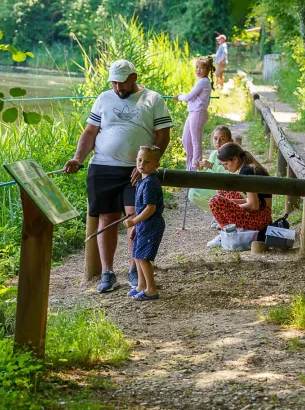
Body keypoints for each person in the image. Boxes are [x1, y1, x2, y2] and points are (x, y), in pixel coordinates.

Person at [64, 59, 173, 293]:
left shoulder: (153, 99)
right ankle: (108, 272)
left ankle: (135, 269)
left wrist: (146, 166)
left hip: (136, 171)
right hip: (103, 167)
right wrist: (77, 159)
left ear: (134, 77)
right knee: (106, 219)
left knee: (136, 219)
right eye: (113, 83)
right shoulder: (104, 98)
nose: (117, 88)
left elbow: (163, 136)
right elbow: (90, 132)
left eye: (121, 83)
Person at [207, 142, 272, 247]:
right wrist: (232, 204)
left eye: (225, 164)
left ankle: (227, 234)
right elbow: (256, 201)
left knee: (215, 201)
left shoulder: (246, 171)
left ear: (235, 159)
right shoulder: (248, 167)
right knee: (223, 189)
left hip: (259, 220)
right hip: (262, 216)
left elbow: (254, 206)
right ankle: (232, 230)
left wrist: (230, 208)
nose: (225, 167)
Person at [125, 145, 165, 301]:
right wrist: (136, 225)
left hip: (151, 223)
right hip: (143, 224)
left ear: (156, 165)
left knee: (143, 257)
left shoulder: (149, 183)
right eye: (139, 160)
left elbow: (150, 208)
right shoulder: (142, 180)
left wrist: (134, 220)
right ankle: (141, 285)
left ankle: (151, 289)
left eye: (147, 162)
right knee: (137, 254)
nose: (142, 165)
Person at [172, 56, 215, 171]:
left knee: (196, 142)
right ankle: (189, 166)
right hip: (193, 112)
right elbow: (192, 96)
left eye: (201, 68)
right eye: (197, 67)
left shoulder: (204, 82)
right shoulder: (201, 82)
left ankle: (196, 168)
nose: (198, 70)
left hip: (198, 113)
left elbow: (189, 97)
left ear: (207, 70)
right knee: (186, 139)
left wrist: (178, 97)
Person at [188, 125, 241, 216]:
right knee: (193, 193)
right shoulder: (213, 154)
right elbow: (210, 173)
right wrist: (201, 169)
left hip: (230, 188)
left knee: (194, 193)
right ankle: (219, 213)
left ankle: (225, 214)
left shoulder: (232, 154)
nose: (218, 142)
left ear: (229, 140)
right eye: (215, 138)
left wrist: (211, 165)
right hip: (215, 186)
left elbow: (232, 174)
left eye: (222, 138)